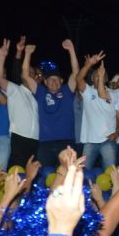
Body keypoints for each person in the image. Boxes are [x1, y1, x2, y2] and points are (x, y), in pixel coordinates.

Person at [23, 39, 80, 168]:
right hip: (45, 144)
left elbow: (76, 73)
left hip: (66, 143)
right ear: (45, 82)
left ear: (61, 81)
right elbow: (26, 76)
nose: (54, 82)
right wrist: (27, 54)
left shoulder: (67, 90)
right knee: (45, 177)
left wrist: (71, 50)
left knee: (67, 176)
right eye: (50, 80)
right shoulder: (40, 91)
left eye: (57, 79)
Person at [0, 38, 39, 168]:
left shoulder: (38, 95)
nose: (28, 75)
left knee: (32, 175)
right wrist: (2, 57)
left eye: (32, 73)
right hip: (19, 137)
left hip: (36, 140)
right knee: (17, 173)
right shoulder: (15, 90)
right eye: (26, 72)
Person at [77, 52, 118, 170]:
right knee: (83, 173)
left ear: (106, 79)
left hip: (108, 140)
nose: (99, 77)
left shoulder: (113, 94)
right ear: (91, 78)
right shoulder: (87, 92)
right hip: (90, 141)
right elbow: (79, 78)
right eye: (96, 75)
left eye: (102, 75)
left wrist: (117, 131)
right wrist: (88, 64)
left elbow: (117, 114)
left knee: (110, 173)